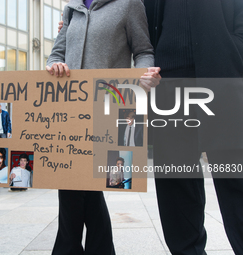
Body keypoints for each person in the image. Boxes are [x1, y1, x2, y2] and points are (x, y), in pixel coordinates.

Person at [48, 0, 161, 254]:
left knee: (86, 184)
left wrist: (143, 75)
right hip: (69, 110)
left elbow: (143, 49)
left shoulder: (129, 4)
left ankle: (70, 249)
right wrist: (55, 64)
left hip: (109, 105)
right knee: (72, 183)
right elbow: (57, 52)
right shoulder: (72, 7)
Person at [143, 0, 243, 254]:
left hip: (221, 80)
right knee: (176, 184)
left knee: (235, 179)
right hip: (167, 87)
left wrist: (231, 54)